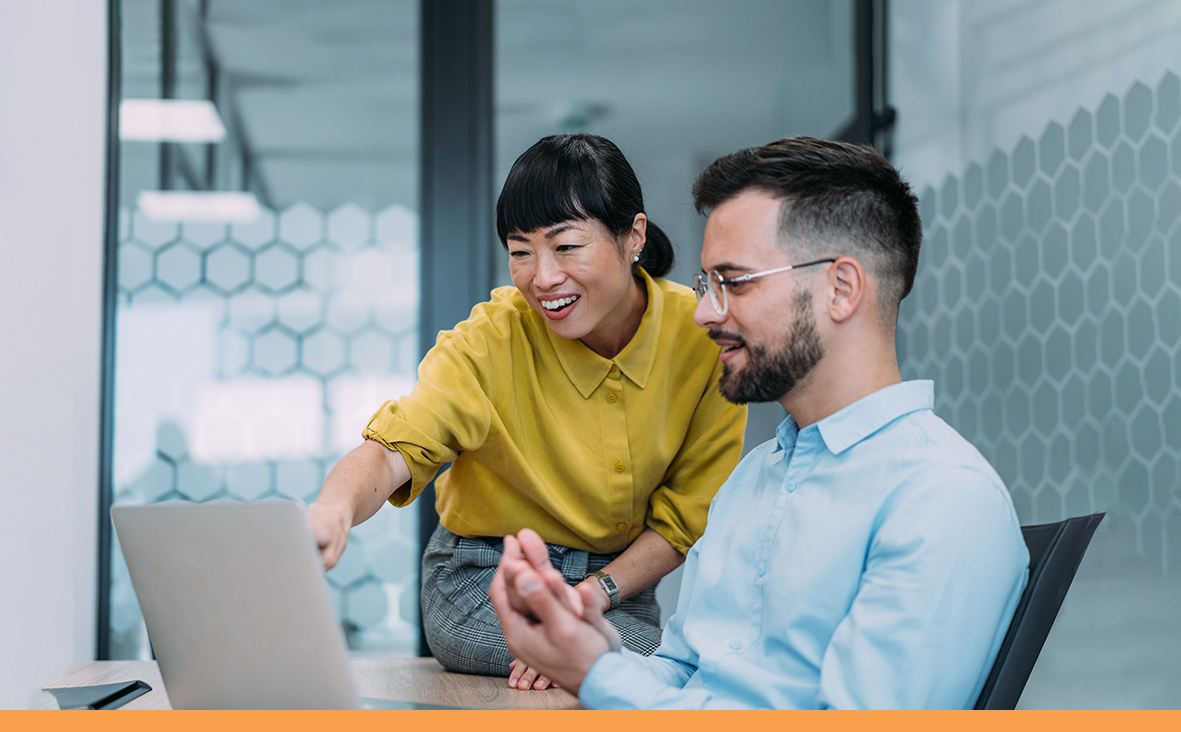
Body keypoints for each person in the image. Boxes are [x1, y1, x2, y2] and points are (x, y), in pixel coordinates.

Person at [490, 137, 1030, 709]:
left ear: (841, 289)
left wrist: (597, 673)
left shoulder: (942, 499)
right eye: (707, 285)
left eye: (736, 282)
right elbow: (681, 674)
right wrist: (585, 649)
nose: (704, 312)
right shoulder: (753, 481)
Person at [307, 133, 747, 687]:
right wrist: (334, 508)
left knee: (665, 664)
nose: (542, 278)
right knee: (656, 668)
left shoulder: (703, 338)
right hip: (482, 581)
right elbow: (396, 448)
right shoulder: (490, 339)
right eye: (521, 251)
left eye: (566, 247)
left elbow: (685, 521)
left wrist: (585, 602)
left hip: (619, 590)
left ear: (633, 236)